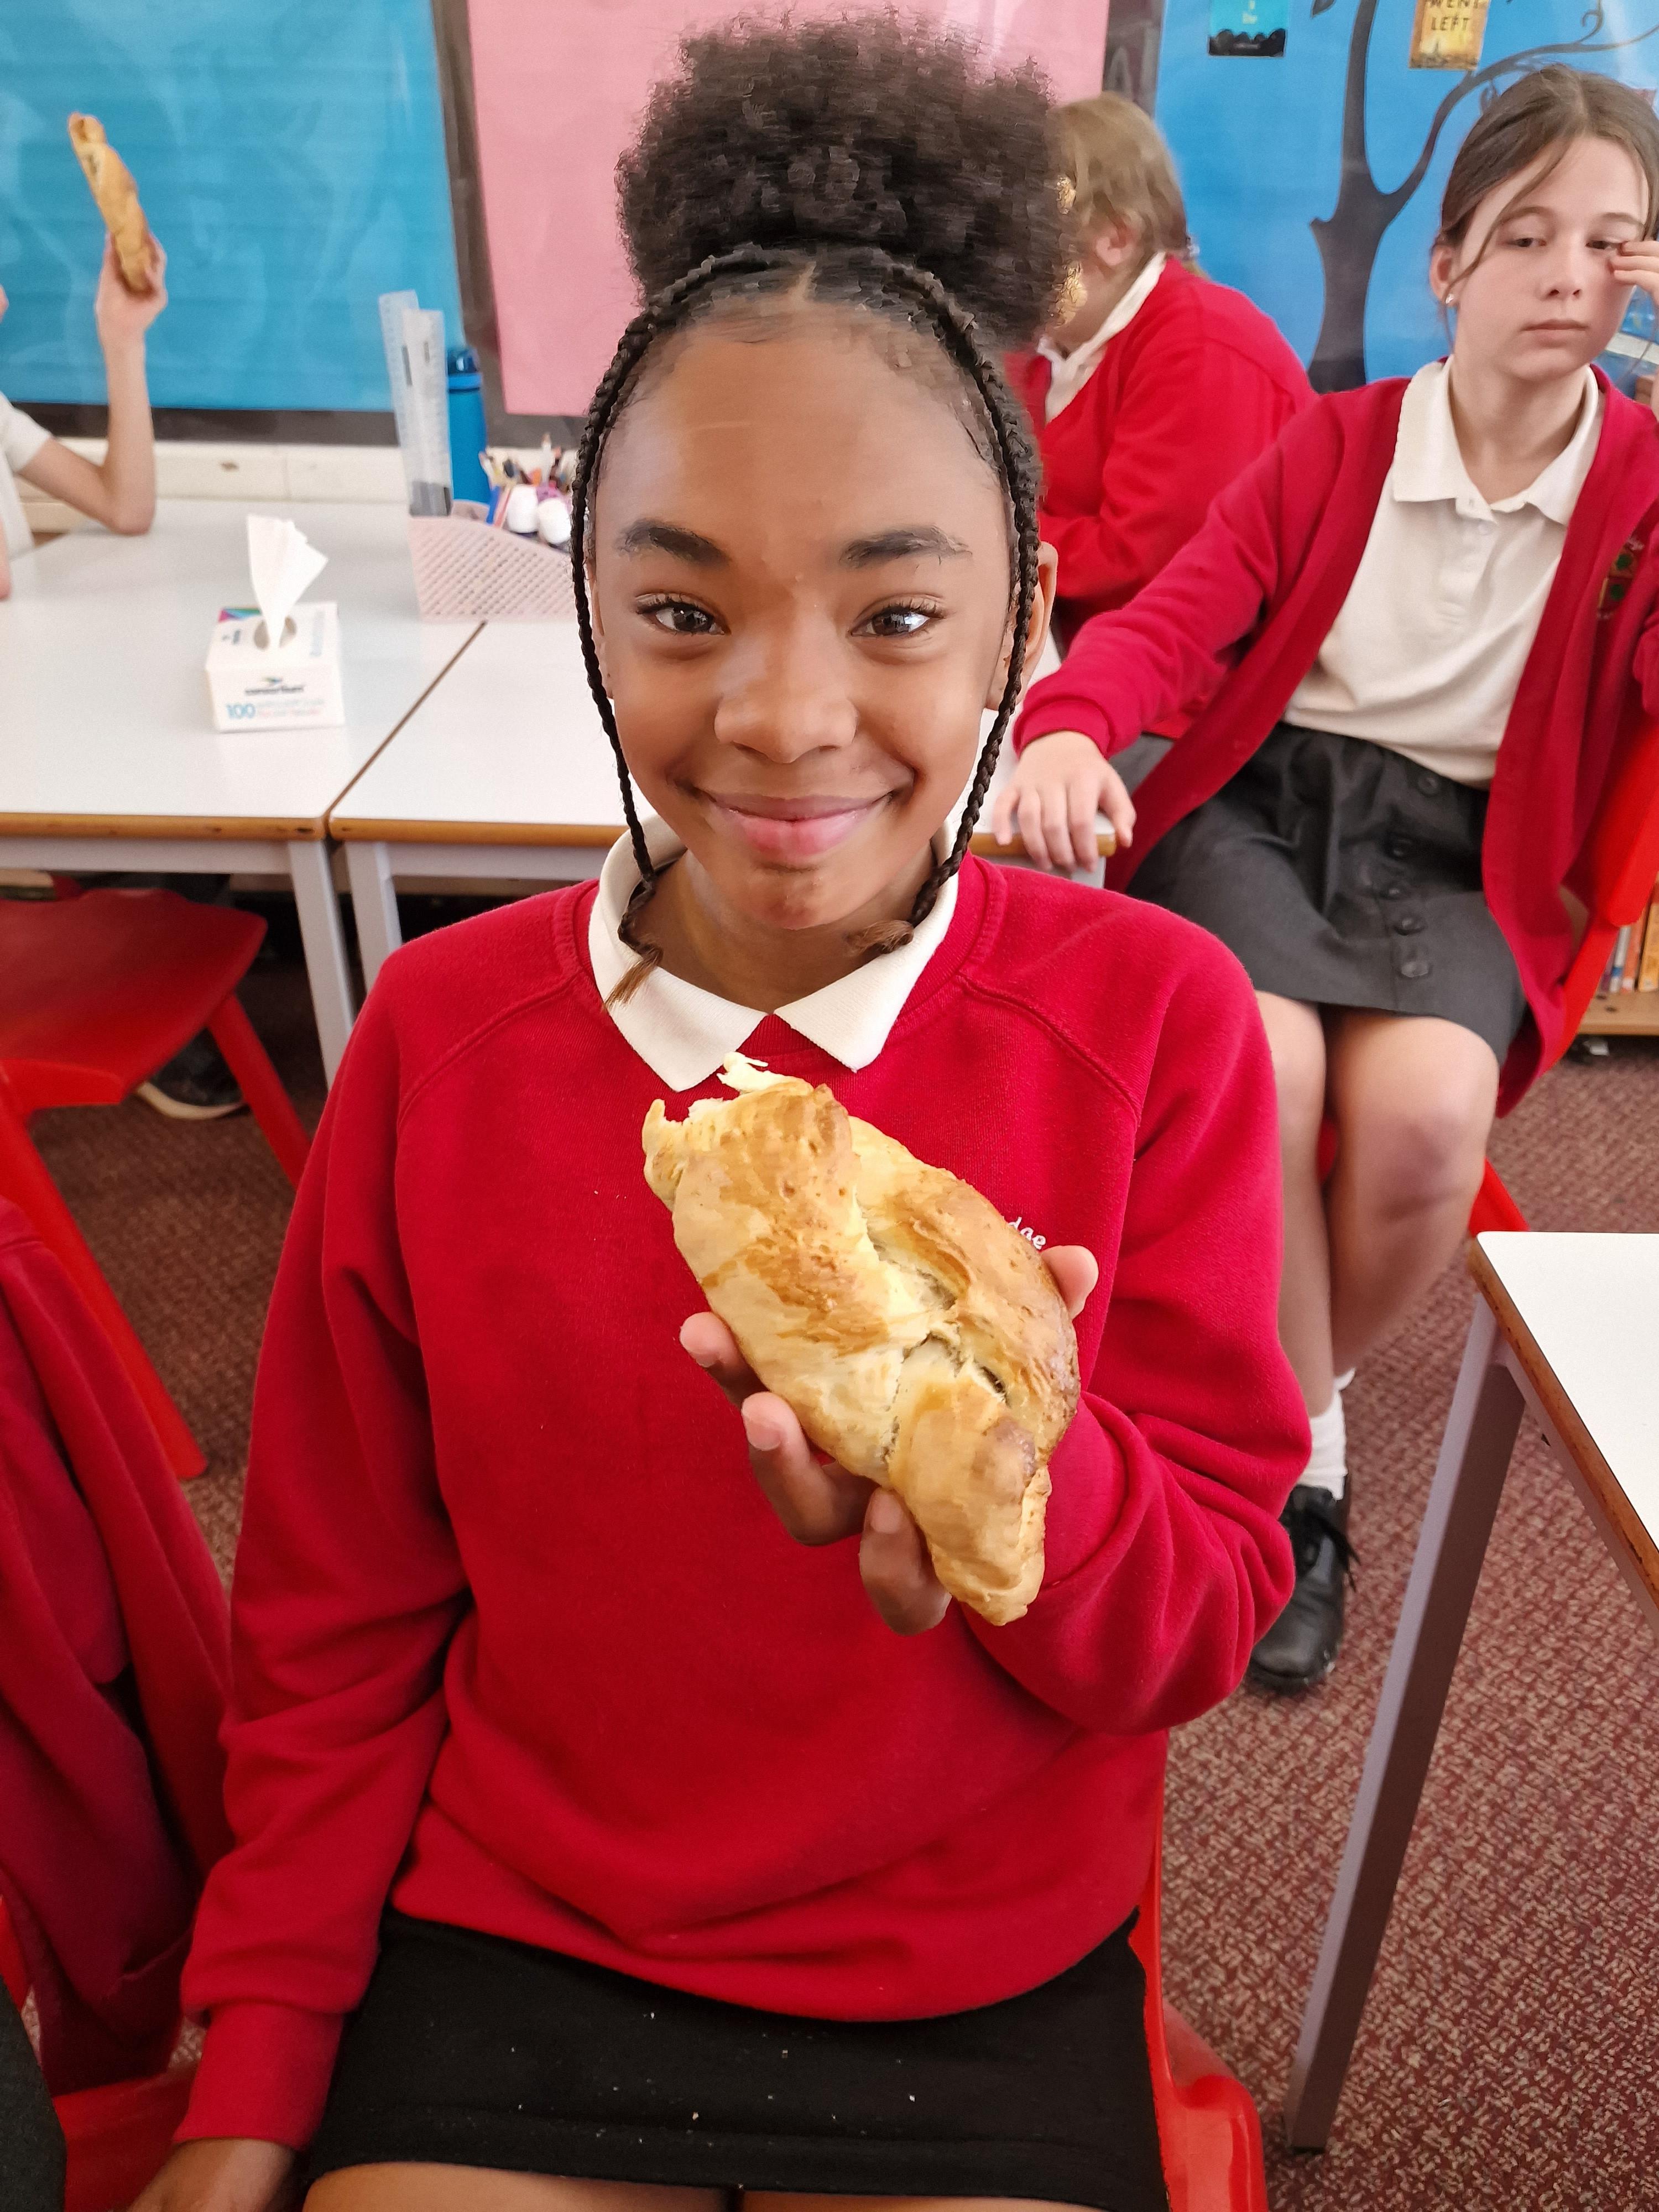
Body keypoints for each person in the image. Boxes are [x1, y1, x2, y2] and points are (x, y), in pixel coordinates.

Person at [134, 22, 1306, 2212]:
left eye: (897, 612)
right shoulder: (441, 1037)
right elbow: (335, 1626)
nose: (782, 715)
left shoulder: (1154, 1023)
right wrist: (254, 2072)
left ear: (1021, 625)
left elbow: (1205, 1619)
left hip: (976, 1955)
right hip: (527, 1925)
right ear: (590, 604)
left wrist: (1013, 1469)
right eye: (683, 609)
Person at [994, 65, 1659, 1692]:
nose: (1567, 277)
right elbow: (1178, 615)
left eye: (1612, 245)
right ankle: (1304, 1466)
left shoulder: (1644, 489)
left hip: (1464, 846)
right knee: (1265, 1067)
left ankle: (1259, 1396)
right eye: (1526, 237)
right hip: (1264, 804)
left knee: (1429, 1122)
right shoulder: (1340, 440)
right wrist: (1071, 728)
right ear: (1446, 266)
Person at [1, 235, 243, 1120]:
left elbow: (125, 505)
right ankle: (140, 970)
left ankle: (158, 939)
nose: (2, 300)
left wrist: (122, 341)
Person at [1005, 92, 1308, 784]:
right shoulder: (1045, 346)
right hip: (1068, 656)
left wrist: (996, 532)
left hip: (1185, 710)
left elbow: (1143, 563)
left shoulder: (1203, 345)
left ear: (1114, 237)